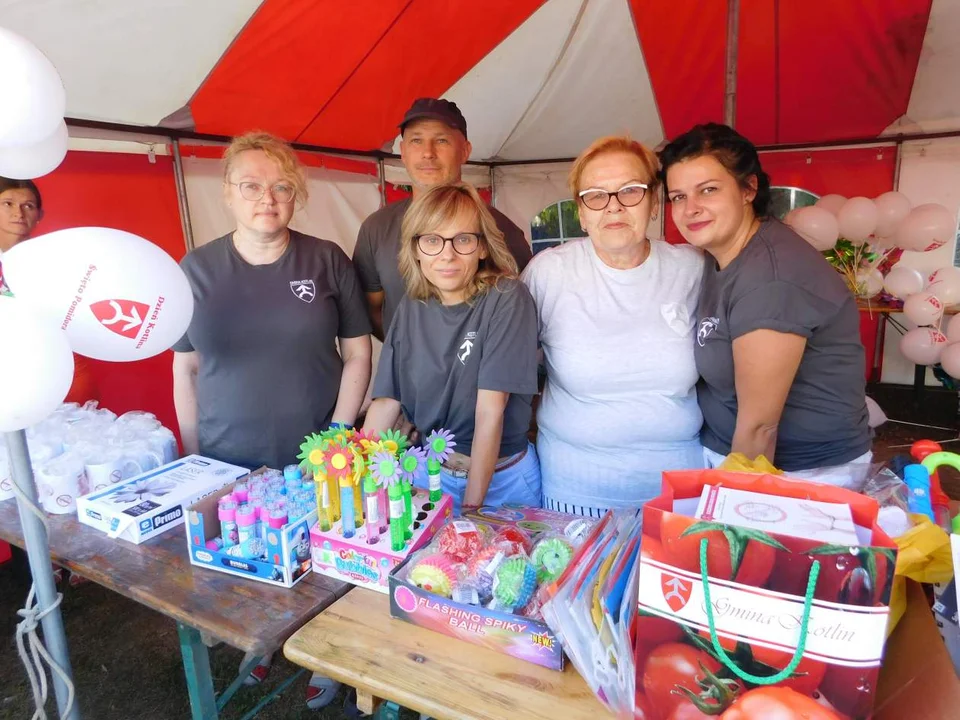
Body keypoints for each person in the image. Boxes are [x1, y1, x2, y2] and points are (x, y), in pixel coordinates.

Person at [171, 132, 372, 708]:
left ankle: (325, 653)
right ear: (228, 195)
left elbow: (357, 353)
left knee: (325, 556)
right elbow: (184, 367)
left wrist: (336, 434)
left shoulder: (326, 260)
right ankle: (256, 648)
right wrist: (192, 454)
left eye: (282, 186)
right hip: (226, 453)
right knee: (244, 555)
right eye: (252, 185)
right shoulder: (197, 269)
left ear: (297, 195)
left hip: (317, 448)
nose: (268, 197)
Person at [659, 123, 871, 487]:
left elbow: (759, 429)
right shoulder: (722, 253)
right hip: (733, 456)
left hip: (797, 476)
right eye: (678, 196)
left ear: (748, 188)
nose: (690, 209)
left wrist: (733, 513)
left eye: (708, 190)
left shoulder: (771, 279)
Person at [521, 137, 704, 517]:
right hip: (574, 490)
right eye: (596, 196)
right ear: (581, 214)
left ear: (655, 202)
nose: (614, 206)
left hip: (680, 492)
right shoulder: (550, 272)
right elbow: (508, 364)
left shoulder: (693, 268)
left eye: (631, 191)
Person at [363, 183, 540, 515]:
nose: (447, 254)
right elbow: (387, 402)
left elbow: (490, 412)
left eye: (463, 239)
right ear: (415, 249)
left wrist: (471, 509)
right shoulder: (411, 306)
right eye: (432, 240)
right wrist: (354, 472)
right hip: (428, 475)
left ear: (483, 247)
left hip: (500, 483)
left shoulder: (506, 297)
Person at [353, 98, 533, 340]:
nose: (428, 153)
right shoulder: (376, 228)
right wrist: (412, 355)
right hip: (406, 374)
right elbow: (372, 308)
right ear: (403, 152)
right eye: (416, 140)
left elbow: (521, 312)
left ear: (465, 151)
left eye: (441, 140)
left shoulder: (500, 229)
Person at [0, 177, 98, 406]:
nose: (19, 213)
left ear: (39, 215)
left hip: (62, 364)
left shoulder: (57, 258)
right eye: (8, 203)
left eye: (28, 206)